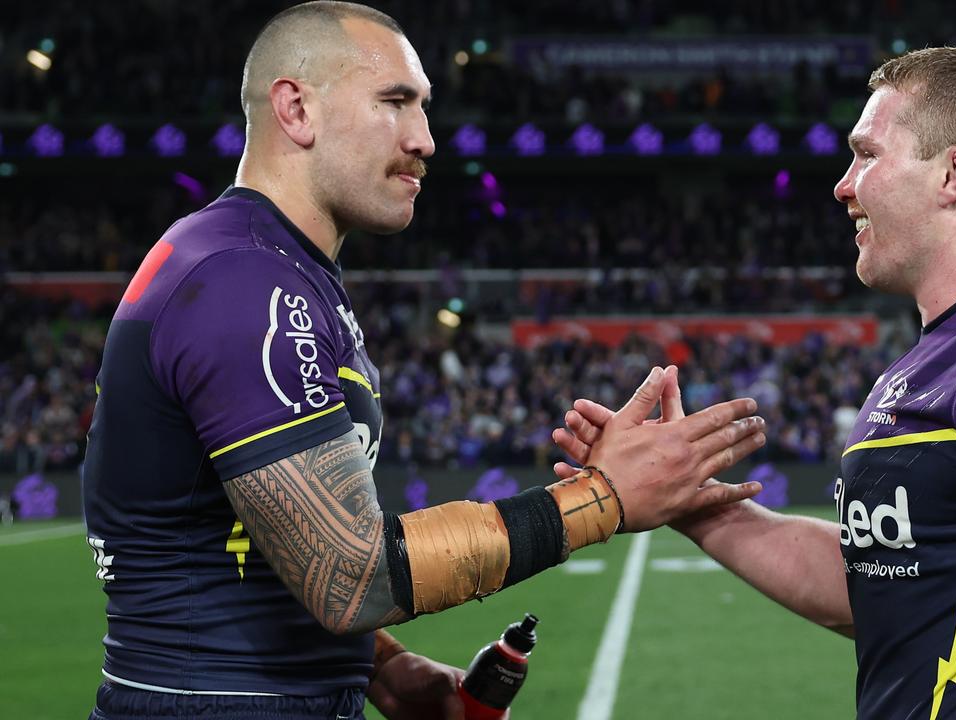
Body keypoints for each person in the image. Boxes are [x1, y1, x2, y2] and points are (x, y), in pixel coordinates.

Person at [80, 3, 767, 719]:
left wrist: (383, 668)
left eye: (425, 108)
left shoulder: (266, 268)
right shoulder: (243, 280)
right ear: (296, 109)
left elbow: (249, 547)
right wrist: (603, 498)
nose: (426, 139)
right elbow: (346, 574)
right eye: (395, 102)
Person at [553, 47, 956, 719]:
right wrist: (698, 505)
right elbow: (895, 584)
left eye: (867, 154)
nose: (844, 184)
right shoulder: (946, 353)